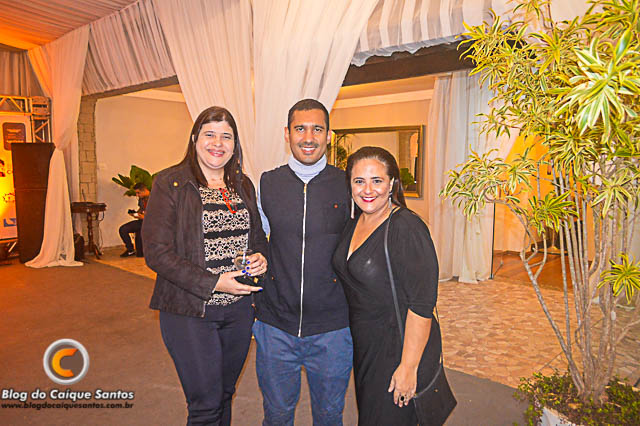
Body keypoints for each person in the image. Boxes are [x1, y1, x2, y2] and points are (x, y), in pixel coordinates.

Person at [142, 106, 268, 425]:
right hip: (190, 311)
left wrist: (260, 256)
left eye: (227, 136)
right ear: (194, 138)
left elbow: (256, 238)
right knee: (205, 405)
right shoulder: (170, 183)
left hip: (238, 310)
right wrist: (213, 283)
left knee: (224, 394)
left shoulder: (243, 185)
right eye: (210, 134)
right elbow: (156, 253)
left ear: (235, 144)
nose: (218, 143)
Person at [254, 99, 353, 425]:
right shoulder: (267, 183)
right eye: (300, 129)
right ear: (287, 134)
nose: (308, 137)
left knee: (329, 416)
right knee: (277, 415)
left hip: (333, 328)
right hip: (275, 325)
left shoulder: (348, 184)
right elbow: (257, 241)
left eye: (317, 129)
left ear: (328, 135)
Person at [332, 147, 441, 426]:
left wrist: (408, 367)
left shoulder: (406, 227)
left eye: (377, 181)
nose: (368, 190)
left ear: (392, 183)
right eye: (359, 181)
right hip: (366, 345)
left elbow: (422, 304)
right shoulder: (355, 221)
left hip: (397, 347)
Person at [118, 182, 149, 257]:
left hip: (151, 223)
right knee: (123, 229)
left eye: (138, 193)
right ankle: (130, 250)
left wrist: (145, 217)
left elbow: (158, 214)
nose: (137, 195)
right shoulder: (141, 199)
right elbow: (141, 208)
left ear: (144, 190)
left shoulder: (155, 199)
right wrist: (136, 213)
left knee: (140, 254)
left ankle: (142, 251)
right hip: (141, 221)